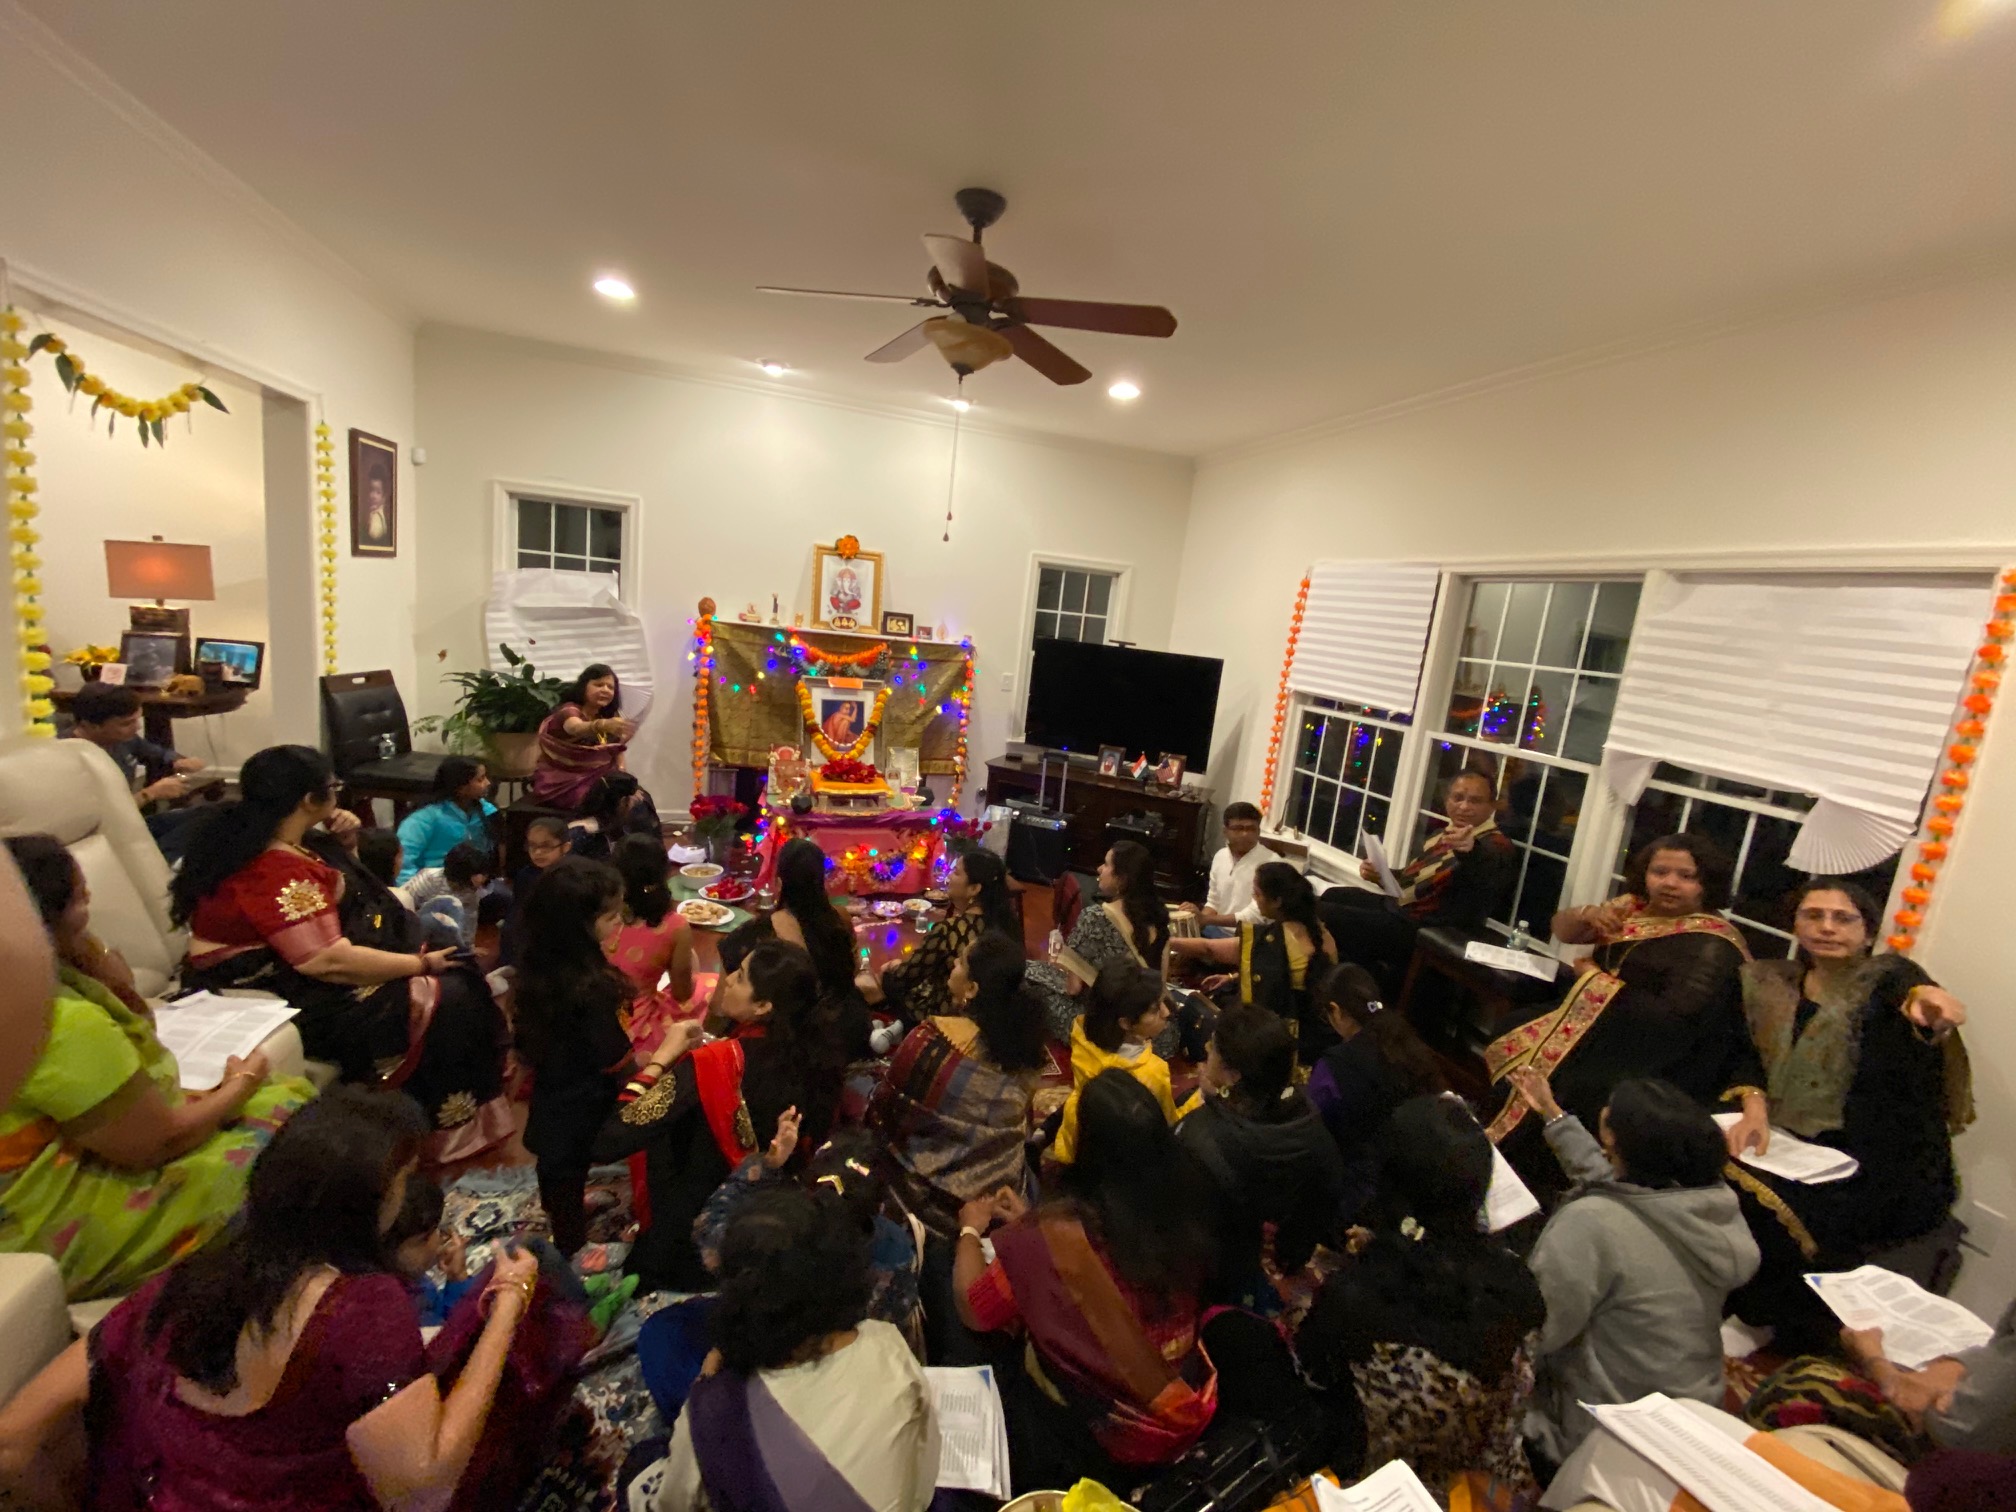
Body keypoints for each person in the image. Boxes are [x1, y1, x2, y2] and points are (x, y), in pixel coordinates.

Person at [0, 1087, 547, 1512]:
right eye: (404, 1179)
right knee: (540, 1301)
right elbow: (423, 1489)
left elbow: (14, 1438)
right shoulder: (359, 1308)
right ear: (364, 1203)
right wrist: (508, 1304)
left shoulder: (190, 1276)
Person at [0, 834, 315, 1301]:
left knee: (288, 1097)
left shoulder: (56, 981)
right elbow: (157, 1144)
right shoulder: (57, 1021)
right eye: (81, 895)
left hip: (83, 1154)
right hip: (43, 1218)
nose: (91, 898)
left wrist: (89, 955)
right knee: (300, 1146)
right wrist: (241, 1083)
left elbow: (133, 1017)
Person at [173, 744, 512, 1161]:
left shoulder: (286, 838)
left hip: (296, 965)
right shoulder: (274, 869)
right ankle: (439, 1131)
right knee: (450, 991)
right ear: (308, 799)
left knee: (448, 950)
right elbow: (324, 961)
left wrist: (347, 842)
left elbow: (351, 894)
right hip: (277, 985)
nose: (337, 793)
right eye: (332, 787)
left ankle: (476, 1084)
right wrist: (418, 964)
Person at [1728, 876, 1973, 1346]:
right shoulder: (1771, 983)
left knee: (1792, 1212)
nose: (1827, 927)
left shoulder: (1883, 981)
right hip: (1787, 1137)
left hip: (1874, 1152)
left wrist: (1930, 1006)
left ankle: (1772, 1325)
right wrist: (1754, 1109)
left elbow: (1910, 988)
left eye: (1843, 918)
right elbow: (1744, 1054)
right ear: (1795, 924)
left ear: (1867, 932)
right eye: (1813, 916)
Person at [955, 1070, 1219, 1490]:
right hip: (1184, 1389)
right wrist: (1035, 1225)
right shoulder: (1193, 1196)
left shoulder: (1055, 1236)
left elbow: (976, 1309)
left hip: (1104, 1435)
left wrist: (970, 1230)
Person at [1482, 832, 1766, 1196]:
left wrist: (1593, 978)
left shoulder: (1712, 942)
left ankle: (1545, 1179)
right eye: (1659, 872)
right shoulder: (1634, 907)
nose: (1669, 883)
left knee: (1566, 1081)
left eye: (1686, 876)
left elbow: (1671, 1021)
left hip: (1657, 1054)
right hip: (1607, 1026)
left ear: (1707, 883)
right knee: (1513, 1026)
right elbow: (1562, 929)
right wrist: (1590, 915)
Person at [1297, 1095, 1547, 1506]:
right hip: (1499, 1484)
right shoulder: (1518, 1280)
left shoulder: (1357, 1296)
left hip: (1398, 1491)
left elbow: (1312, 1372)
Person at [626, 1184, 939, 1512]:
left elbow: (670, 1504)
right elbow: (922, 1479)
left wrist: (705, 1388)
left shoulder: (713, 1411)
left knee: (643, 1450)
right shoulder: (885, 1342)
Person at [1507, 1069, 1760, 1469]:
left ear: (1615, 1139)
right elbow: (1609, 1179)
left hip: (1600, 1438)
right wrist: (1552, 1113)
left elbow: (1534, 1334)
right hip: (1693, 1419)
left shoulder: (1592, 1223)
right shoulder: (1708, 1204)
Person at [593, 941, 844, 1292]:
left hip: (693, 1226)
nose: (728, 979)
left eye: (740, 977)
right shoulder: (819, 1054)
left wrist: (663, 1057)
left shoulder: (717, 1063)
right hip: (764, 1217)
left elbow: (614, 1136)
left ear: (763, 1006)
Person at [868, 929, 1049, 1238]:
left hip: (920, 1198)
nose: (953, 963)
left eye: (961, 962)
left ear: (972, 988)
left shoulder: (928, 1038)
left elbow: (887, 1107)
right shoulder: (1024, 1049)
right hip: (997, 1199)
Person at [517, 856, 650, 1256]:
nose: (620, 922)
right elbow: (613, 1056)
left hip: (552, 1086)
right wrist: (654, 1064)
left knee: (556, 1168)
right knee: (566, 1169)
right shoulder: (591, 989)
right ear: (579, 926)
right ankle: (571, 1246)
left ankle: (564, 1215)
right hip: (582, 1098)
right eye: (611, 916)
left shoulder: (541, 963)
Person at [1177, 1004, 1343, 1307]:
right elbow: (1326, 1193)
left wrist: (1207, 1102)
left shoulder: (1199, 1134)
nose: (1206, 1051)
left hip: (1214, 1261)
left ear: (1233, 1075)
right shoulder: (1309, 1117)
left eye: (1213, 1048)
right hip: (1277, 1243)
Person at [1318, 769, 1517, 998]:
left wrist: (1470, 851)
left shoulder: (1496, 846)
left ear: (1491, 807)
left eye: (1475, 801)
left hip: (1423, 925)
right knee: (1334, 894)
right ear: (1447, 800)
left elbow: (1484, 871)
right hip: (1402, 908)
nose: (1464, 806)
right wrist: (1381, 875)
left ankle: (1343, 995)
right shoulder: (1442, 834)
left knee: (1325, 913)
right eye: (1458, 798)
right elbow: (1412, 880)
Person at [1305, 963, 1450, 1225]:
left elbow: (1311, 1126)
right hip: (1414, 1174)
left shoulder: (1335, 1067)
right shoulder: (1406, 1041)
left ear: (1335, 1011)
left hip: (1362, 1189)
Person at [1170, 859, 1336, 1052]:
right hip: (1316, 1031)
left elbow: (1209, 949)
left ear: (1277, 901)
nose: (1254, 898)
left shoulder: (1275, 940)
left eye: (1257, 893)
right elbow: (1291, 974)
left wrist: (1167, 940)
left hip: (1280, 1036)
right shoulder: (1322, 933)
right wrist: (1234, 977)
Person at [1026, 840, 1170, 1045]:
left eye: (1106, 864)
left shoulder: (1096, 917)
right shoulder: (1160, 918)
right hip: (1155, 1033)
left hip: (1110, 1030)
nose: (1099, 869)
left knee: (1030, 982)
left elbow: (1073, 987)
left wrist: (1052, 966)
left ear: (1122, 879)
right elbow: (1161, 983)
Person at [861, 848, 1019, 1026]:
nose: (949, 876)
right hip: (991, 1017)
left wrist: (889, 971)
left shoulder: (949, 930)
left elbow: (904, 979)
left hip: (945, 1014)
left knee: (883, 980)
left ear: (974, 889)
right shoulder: (1009, 926)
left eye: (956, 873)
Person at [63, 680, 210, 862]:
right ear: (91, 725)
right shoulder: (69, 759)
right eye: (126, 723)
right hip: (104, 840)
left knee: (214, 815)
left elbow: (154, 752)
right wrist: (150, 794)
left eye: (137, 720)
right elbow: (98, 820)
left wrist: (177, 761)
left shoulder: (122, 739)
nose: (137, 727)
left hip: (130, 824)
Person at [1053, 960, 1176, 1164]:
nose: (1166, 1012)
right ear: (1126, 1023)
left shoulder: (1080, 1033)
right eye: (1155, 1010)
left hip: (1075, 1145)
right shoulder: (1153, 1072)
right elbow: (1168, 1127)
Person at [769, 836, 873, 1059]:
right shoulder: (841, 917)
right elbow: (854, 968)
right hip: (851, 1024)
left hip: (804, 1041)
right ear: (821, 880)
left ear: (780, 883)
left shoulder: (771, 926)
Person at [608, 832, 698, 1053]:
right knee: (708, 987)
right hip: (632, 1030)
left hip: (583, 1020)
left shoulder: (595, 910)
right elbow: (682, 994)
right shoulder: (675, 927)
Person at [533, 663, 640, 811]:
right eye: (599, 684)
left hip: (599, 780)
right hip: (564, 783)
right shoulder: (569, 710)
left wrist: (623, 779)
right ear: (583, 687)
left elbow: (616, 751)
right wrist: (602, 725)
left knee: (639, 800)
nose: (605, 690)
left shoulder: (605, 716)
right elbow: (574, 728)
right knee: (607, 802)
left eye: (610, 687)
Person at [387, 1171, 478, 1329]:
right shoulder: (399, 1311)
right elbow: (460, 1332)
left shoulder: (417, 1279)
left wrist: (457, 1278)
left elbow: (445, 1315)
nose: (438, 1240)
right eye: (425, 1238)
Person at [394, 755, 498, 882]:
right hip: (433, 885)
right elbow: (405, 862)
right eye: (480, 779)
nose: (488, 783)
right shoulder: (424, 818)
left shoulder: (486, 811)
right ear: (460, 787)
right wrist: (408, 891)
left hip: (475, 884)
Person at [500, 815, 571, 967]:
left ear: (566, 847)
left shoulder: (573, 878)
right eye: (532, 846)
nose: (538, 852)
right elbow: (516, 914)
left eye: (546, 846)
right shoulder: (526, 875)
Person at [400, 841, 498, 951]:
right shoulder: (429, 879)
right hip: (413, 928)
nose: (482, 878)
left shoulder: (472, 892)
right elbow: (402, 906)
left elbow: (469, 919)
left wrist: (468, 948)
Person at [1197, 800, 1266, 934]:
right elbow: (1213, 902)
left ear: (1258, 831)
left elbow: (1256, 916)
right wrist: (1196, 922)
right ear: (1225, 831)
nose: (1245, 834)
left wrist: (1205, 919)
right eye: (1238, 828)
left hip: (1249, 937)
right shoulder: (1220, 856)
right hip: (1215, 929)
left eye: (1251, 829)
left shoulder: (1270, 864)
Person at [568, 770, 645, 861]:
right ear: (623, 802)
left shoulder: (619, 826)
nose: (640, 799)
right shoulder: (582, 833)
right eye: (634, 801)